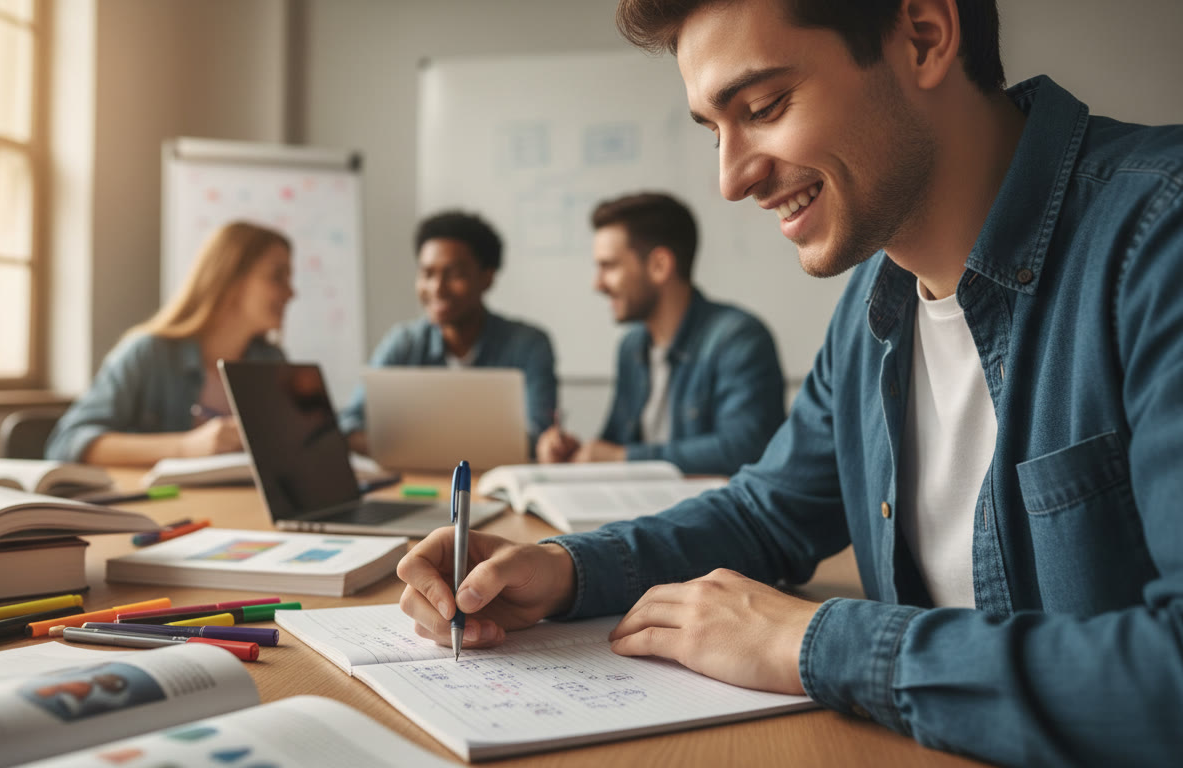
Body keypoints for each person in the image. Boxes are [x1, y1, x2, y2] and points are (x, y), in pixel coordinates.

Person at [395, 0, 1183, 765]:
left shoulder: (1160, 241)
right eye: (714, 131)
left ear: (924, 35)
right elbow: (767, 512)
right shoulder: (872, 304)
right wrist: (565, 571)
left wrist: (812, 641)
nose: (732, 180)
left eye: (765, 106)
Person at [536, 192, 784, 475]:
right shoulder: (631, 347)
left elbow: (745, 448)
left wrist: (624, 458)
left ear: (659, 266)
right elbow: (614, 444)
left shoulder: (738, 339)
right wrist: (573, 452)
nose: (598, 284)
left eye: (609, 266)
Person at [45, 221, 294, 465]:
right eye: (277, 276)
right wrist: (185, 447)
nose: (291, 292)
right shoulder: (147, 353)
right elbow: (66, 443)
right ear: (230, 277)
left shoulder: (272, 361)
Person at [338, 210, 558, 454]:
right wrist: (412, 450)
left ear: (487, 278)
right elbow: (348, 423)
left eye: (454, 274)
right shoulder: (404, 342)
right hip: (414, 483)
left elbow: (539, 432)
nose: (437, 288)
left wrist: (420, 445)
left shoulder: (528, 344)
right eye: (427, 273)